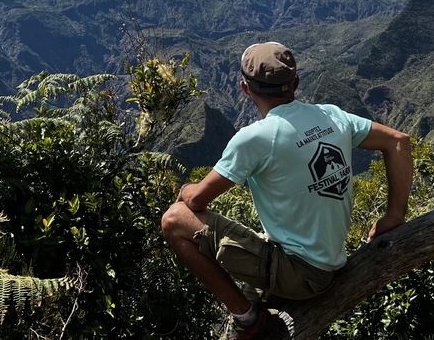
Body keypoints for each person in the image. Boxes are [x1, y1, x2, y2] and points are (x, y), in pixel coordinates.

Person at [161, 42, 413, 339]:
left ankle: (248, 318)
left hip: (301, 273)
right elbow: (399, 141)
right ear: (295, 83)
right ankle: (249, 316)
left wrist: (185, 189)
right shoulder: (331, 115)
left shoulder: (255, 138)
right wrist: (394, 216)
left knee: (175, 220)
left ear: (245, 88)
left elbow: (196, 199)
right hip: (330, 260)